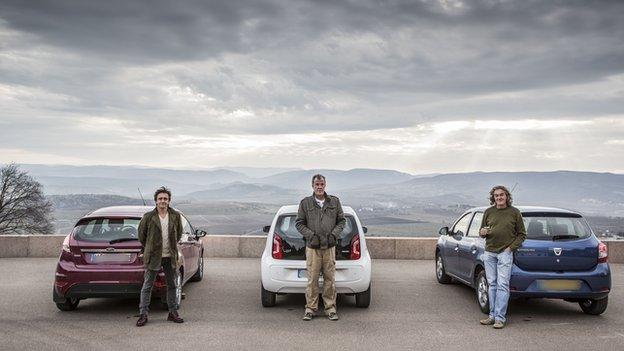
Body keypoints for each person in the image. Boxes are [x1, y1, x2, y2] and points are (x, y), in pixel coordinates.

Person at [295, 174, 346, 321]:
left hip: (329, 248)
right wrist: (311, 236)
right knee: (312, 280)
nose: (319, 187)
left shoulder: (334, 202)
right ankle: (310, 309)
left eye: (321, 184)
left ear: (325, 185)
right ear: (312, 186)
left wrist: (333, 236)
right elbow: (299, 223)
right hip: (313, 248)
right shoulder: (305, 203)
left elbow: (341, 221)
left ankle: (330, 308)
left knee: (330, 279)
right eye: (316, 184)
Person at [136, 186, 184, 327]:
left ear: (169, 201)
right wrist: (149, 247)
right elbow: (141, 236)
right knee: (147, 286)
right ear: (156, 201)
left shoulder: (175, 216)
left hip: (170, 256)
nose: (163, 201)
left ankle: (173, 312)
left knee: (172, 285)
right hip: (153, 256)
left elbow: (179, 234)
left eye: (165, 199)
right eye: (160, 199)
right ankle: (143, 314)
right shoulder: (148, 217)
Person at [479, 185, 526, 329]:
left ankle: (500, 318)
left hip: (505, 254)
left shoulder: (514, 212)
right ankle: (492, 316)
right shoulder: (488, 212)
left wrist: (510, 248)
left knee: (503, 285)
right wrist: (483, 232)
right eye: (496, 195)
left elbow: (522, 234)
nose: (499, 197)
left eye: (502, 195)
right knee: (492, 284)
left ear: (507, 196)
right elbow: (481, 231)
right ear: (493, 198)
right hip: (489, 253)